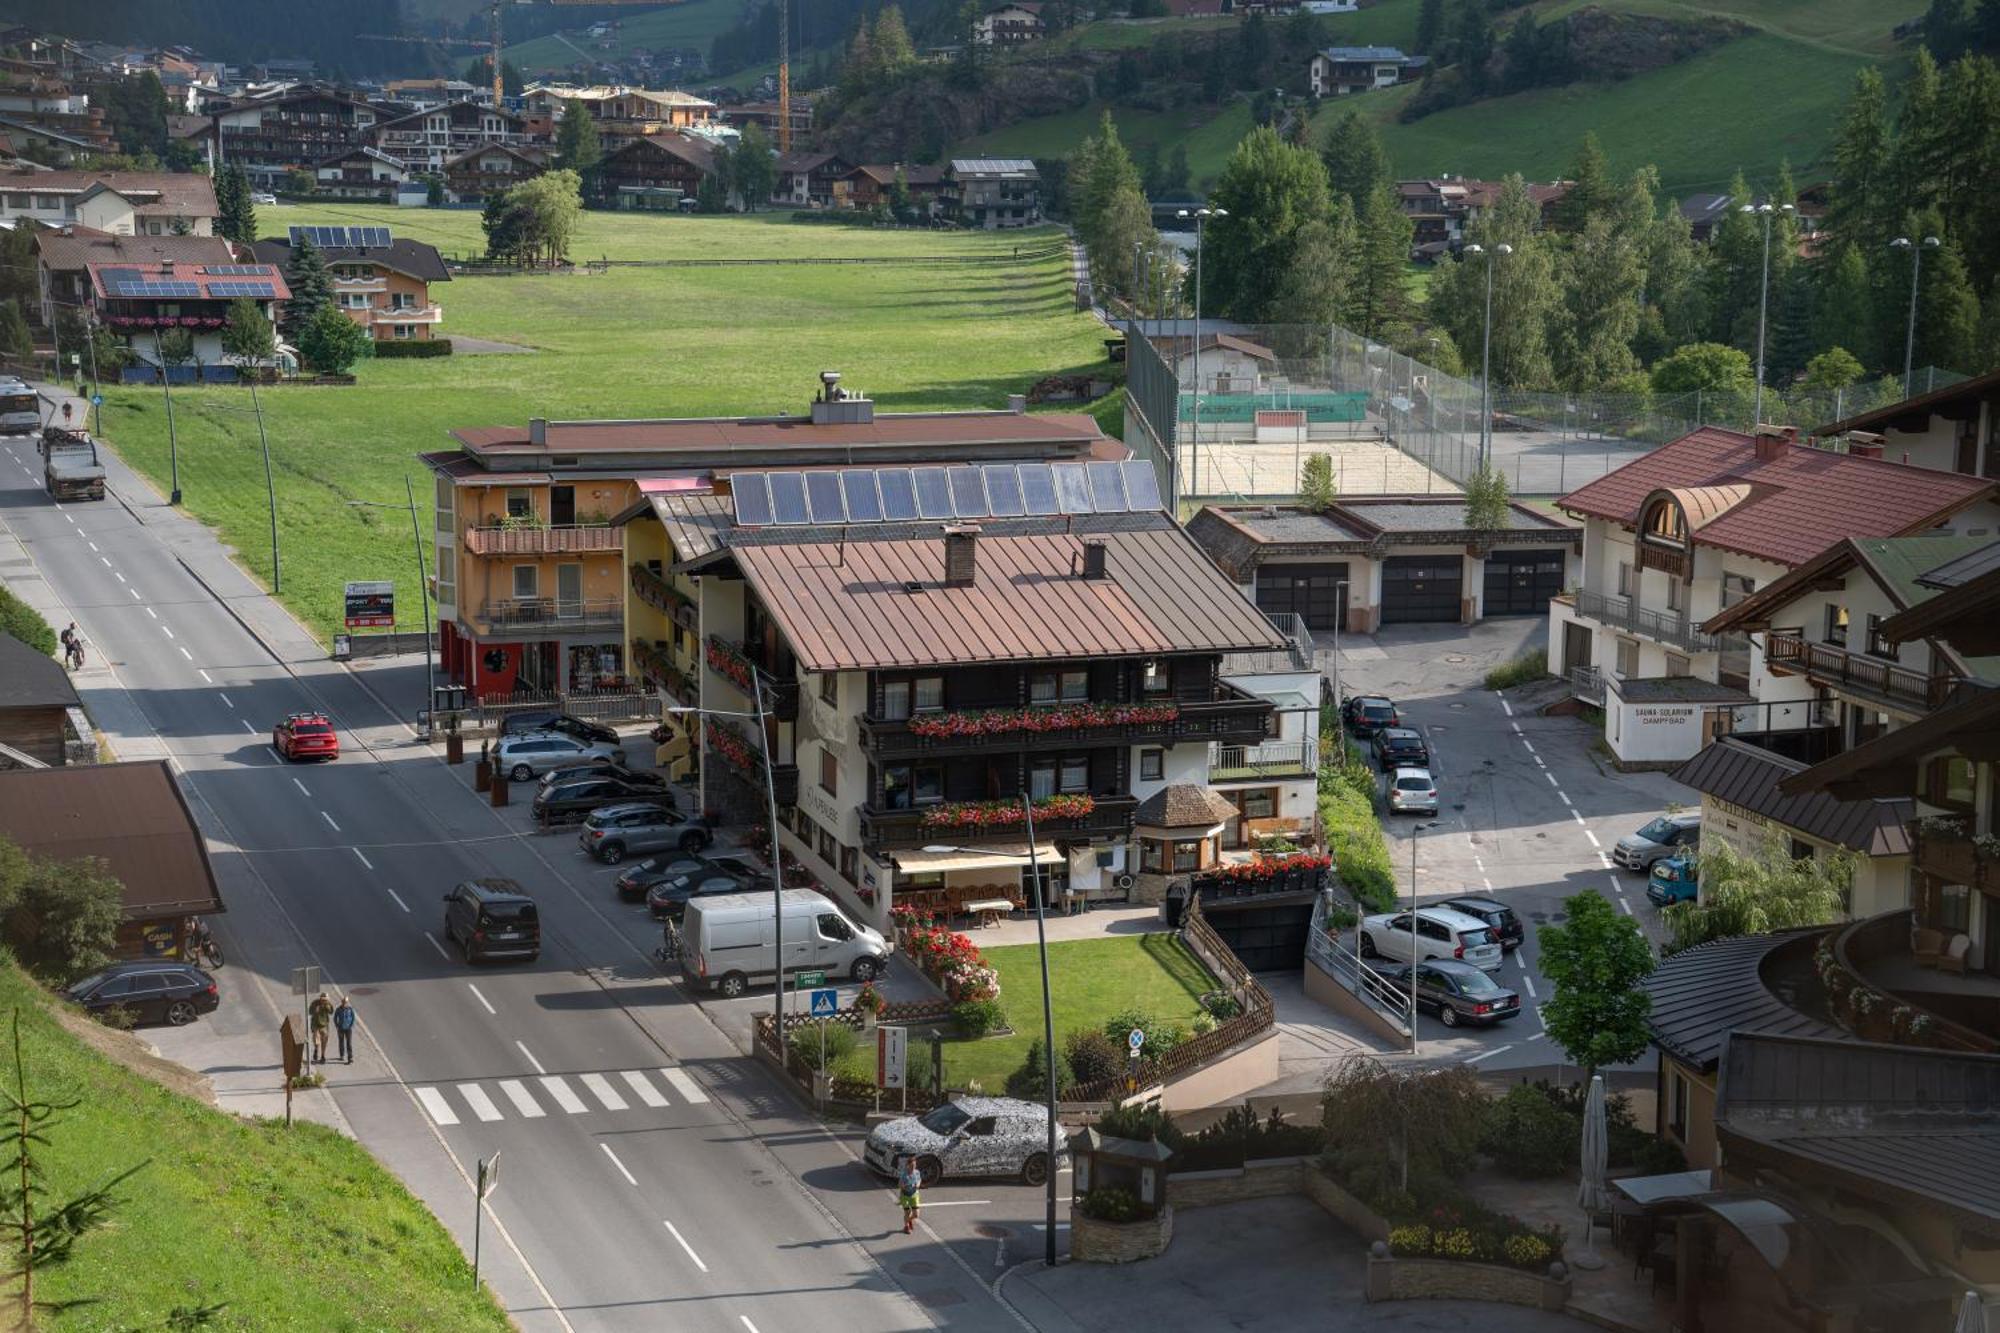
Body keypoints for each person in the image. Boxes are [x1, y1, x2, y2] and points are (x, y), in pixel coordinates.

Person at [896, 1156, 923, 1235]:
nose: (913, 1168)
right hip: (905, 1196)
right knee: (907, 1212)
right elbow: (899, 1184)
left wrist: (918, 1184)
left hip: (914, 1195)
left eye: (914, 1166)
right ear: (907, 1165)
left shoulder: (917, 1172)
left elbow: (919, 1180)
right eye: (911, 1166)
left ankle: (908, 1220)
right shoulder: (904, 1174)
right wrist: (904, 1186)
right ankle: (906, 1227)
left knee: (916, 1215)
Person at [308, 991, 333, 1064]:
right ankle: (316, 1050)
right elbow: (310, 1012)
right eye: (323, 999)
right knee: (316, 1039)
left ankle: (323, 1056)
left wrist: (327, 1007)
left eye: (326, 999)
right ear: (320, 998)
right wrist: (315, 1010)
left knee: (324, 1041)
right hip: (316, 1024)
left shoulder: (328, 1004)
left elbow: (331, 1012)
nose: (324, 1001)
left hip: (324, 1025)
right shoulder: (315, 1003)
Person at [333, 995, 356, 1064]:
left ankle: (350, 1057)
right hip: (341, 1028)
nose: (344, 1003)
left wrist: (351, 1025)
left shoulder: (350, 1009)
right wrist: (337, 1025)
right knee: (341, 1042)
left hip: (348, 1028)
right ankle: (342, 1055)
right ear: (341, 1002)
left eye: (346, 1002)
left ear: (347, 1002)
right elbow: (335, 1018)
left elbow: (353, 1017)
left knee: (349, 1043)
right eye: (343, 1002)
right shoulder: (338, 1009)